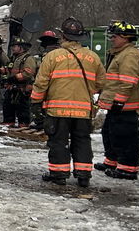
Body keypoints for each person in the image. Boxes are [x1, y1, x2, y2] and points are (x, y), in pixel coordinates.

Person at [30, 17, 103, 187]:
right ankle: (83, 175)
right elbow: (101, 83)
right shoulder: (93, 57)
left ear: (63, 36)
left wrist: (35, 103)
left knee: (58, 141)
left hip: (57, 110)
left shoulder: (52, 56)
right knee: (82, 141)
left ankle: (59, 174)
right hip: (84, 111)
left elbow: (41, 83)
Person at [97, 21, 139, 180]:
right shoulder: (120, 53)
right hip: (117, 105)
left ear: (125, 38)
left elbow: (128, 81)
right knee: (110, 133)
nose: (112, 38)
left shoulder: (129, 55)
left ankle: (128, 169)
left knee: (125, 137)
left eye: (115, 36)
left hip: (125, 107)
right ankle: (112, 161)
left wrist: (119, 101)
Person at [3, 37, 40, 126]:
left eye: (14, 46)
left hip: (22, 90)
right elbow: (9, 69)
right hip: (11, 88)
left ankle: (23, 128)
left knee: (22, 111)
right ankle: (8, 127)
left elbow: (28, 73)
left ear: (21, 47)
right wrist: (0, 71)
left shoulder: (28, 58)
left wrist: (15, 78)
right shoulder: (14, 58)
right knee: (8, 109)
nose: (12, 48)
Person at [30, 30, 60, 131]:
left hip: (48, 83)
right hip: (54, 83)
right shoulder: (58, 52)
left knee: (40, 104)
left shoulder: (50, 54)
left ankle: (43, 122)